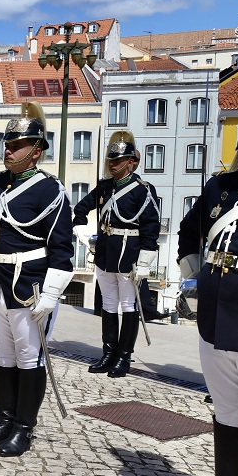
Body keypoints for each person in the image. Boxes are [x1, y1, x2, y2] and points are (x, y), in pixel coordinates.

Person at [0, 101, 73, 457]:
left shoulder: (50, 190)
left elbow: (62, 247)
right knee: (2, 354)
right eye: (7, 143)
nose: (8, 150)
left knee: (29, 356)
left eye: (17, 145)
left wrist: (52, 293)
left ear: (37, 150)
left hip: (28, 283)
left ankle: (24, 427)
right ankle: (4, 418)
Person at [175, 128, 238, 476]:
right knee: (228, 411)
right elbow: (188, 229)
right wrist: (195, 272)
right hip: (217, 316)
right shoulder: (221, 187)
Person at [73, 131, 160, 378]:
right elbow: (81, 208)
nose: (112, 164)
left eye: (118, 160)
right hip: (105, 253)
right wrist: (81, 229)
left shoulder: (143, 190)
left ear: (131, 162)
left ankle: (124, 356)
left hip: (129, 255)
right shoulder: (104, 187)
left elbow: (150, 227)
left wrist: (145, 260)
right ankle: (108, 353)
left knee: (128, 306)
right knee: (108, 305)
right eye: (110, 159)